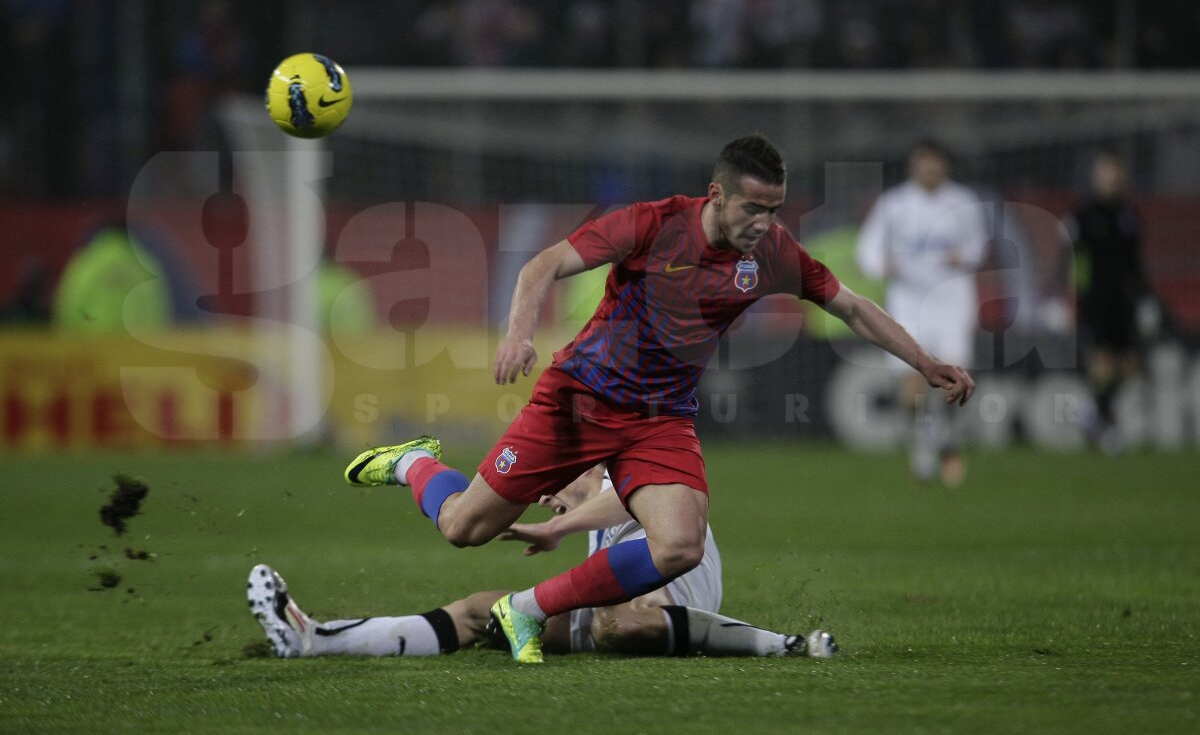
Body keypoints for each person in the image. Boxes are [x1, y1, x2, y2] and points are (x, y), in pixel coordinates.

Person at [345, 134, 974, 663]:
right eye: (753, 208)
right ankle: (413, 463)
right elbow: (541, 265)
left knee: (678, 545)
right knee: (463, 528)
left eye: (774, 210)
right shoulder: (651, 224)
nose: (764, 223)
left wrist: (926, 362)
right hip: (578, 402)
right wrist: (518, 335)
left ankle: (526, 610)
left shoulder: (774, 253)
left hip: (660, 419)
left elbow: (853, 308)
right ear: (717, 195)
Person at [248, 466, 837, 659]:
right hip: (610, 610)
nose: (548, 494)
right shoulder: (592, 490)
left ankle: (782, 644)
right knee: (485, 610)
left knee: (621, 621)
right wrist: (560, 526)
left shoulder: (624, 473)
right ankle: (314, 638)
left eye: (555, 483)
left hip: (669, 608)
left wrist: (558, 525)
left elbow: (624, 496)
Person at [855, 140, 988, 486]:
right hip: (909, 302)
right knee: (912, 388)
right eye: (923, 163)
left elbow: (979, 245)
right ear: (914, 166)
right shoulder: (894, 204)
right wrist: (879, 265)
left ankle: (937, 439)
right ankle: (929, 445)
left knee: (955, 379)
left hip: (952, 299)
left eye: (935, 163)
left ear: (943, 166)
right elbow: (867, 248)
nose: (929, 169)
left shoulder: (963, 202)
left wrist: (966, 256)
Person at [1062, 151, 1157, 453]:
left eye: (1114, 175)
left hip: (1123, 299)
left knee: (1129, 364)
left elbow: (1135, 263)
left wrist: (1144, 300)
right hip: (1095, 299)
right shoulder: (1081, 216)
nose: (1110, 180)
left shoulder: (1128, 216)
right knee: (1101, 360)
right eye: (1104, 174)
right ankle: (1107, 424)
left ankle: (1093, 410)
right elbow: (1071, 262)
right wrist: (1069, 298)